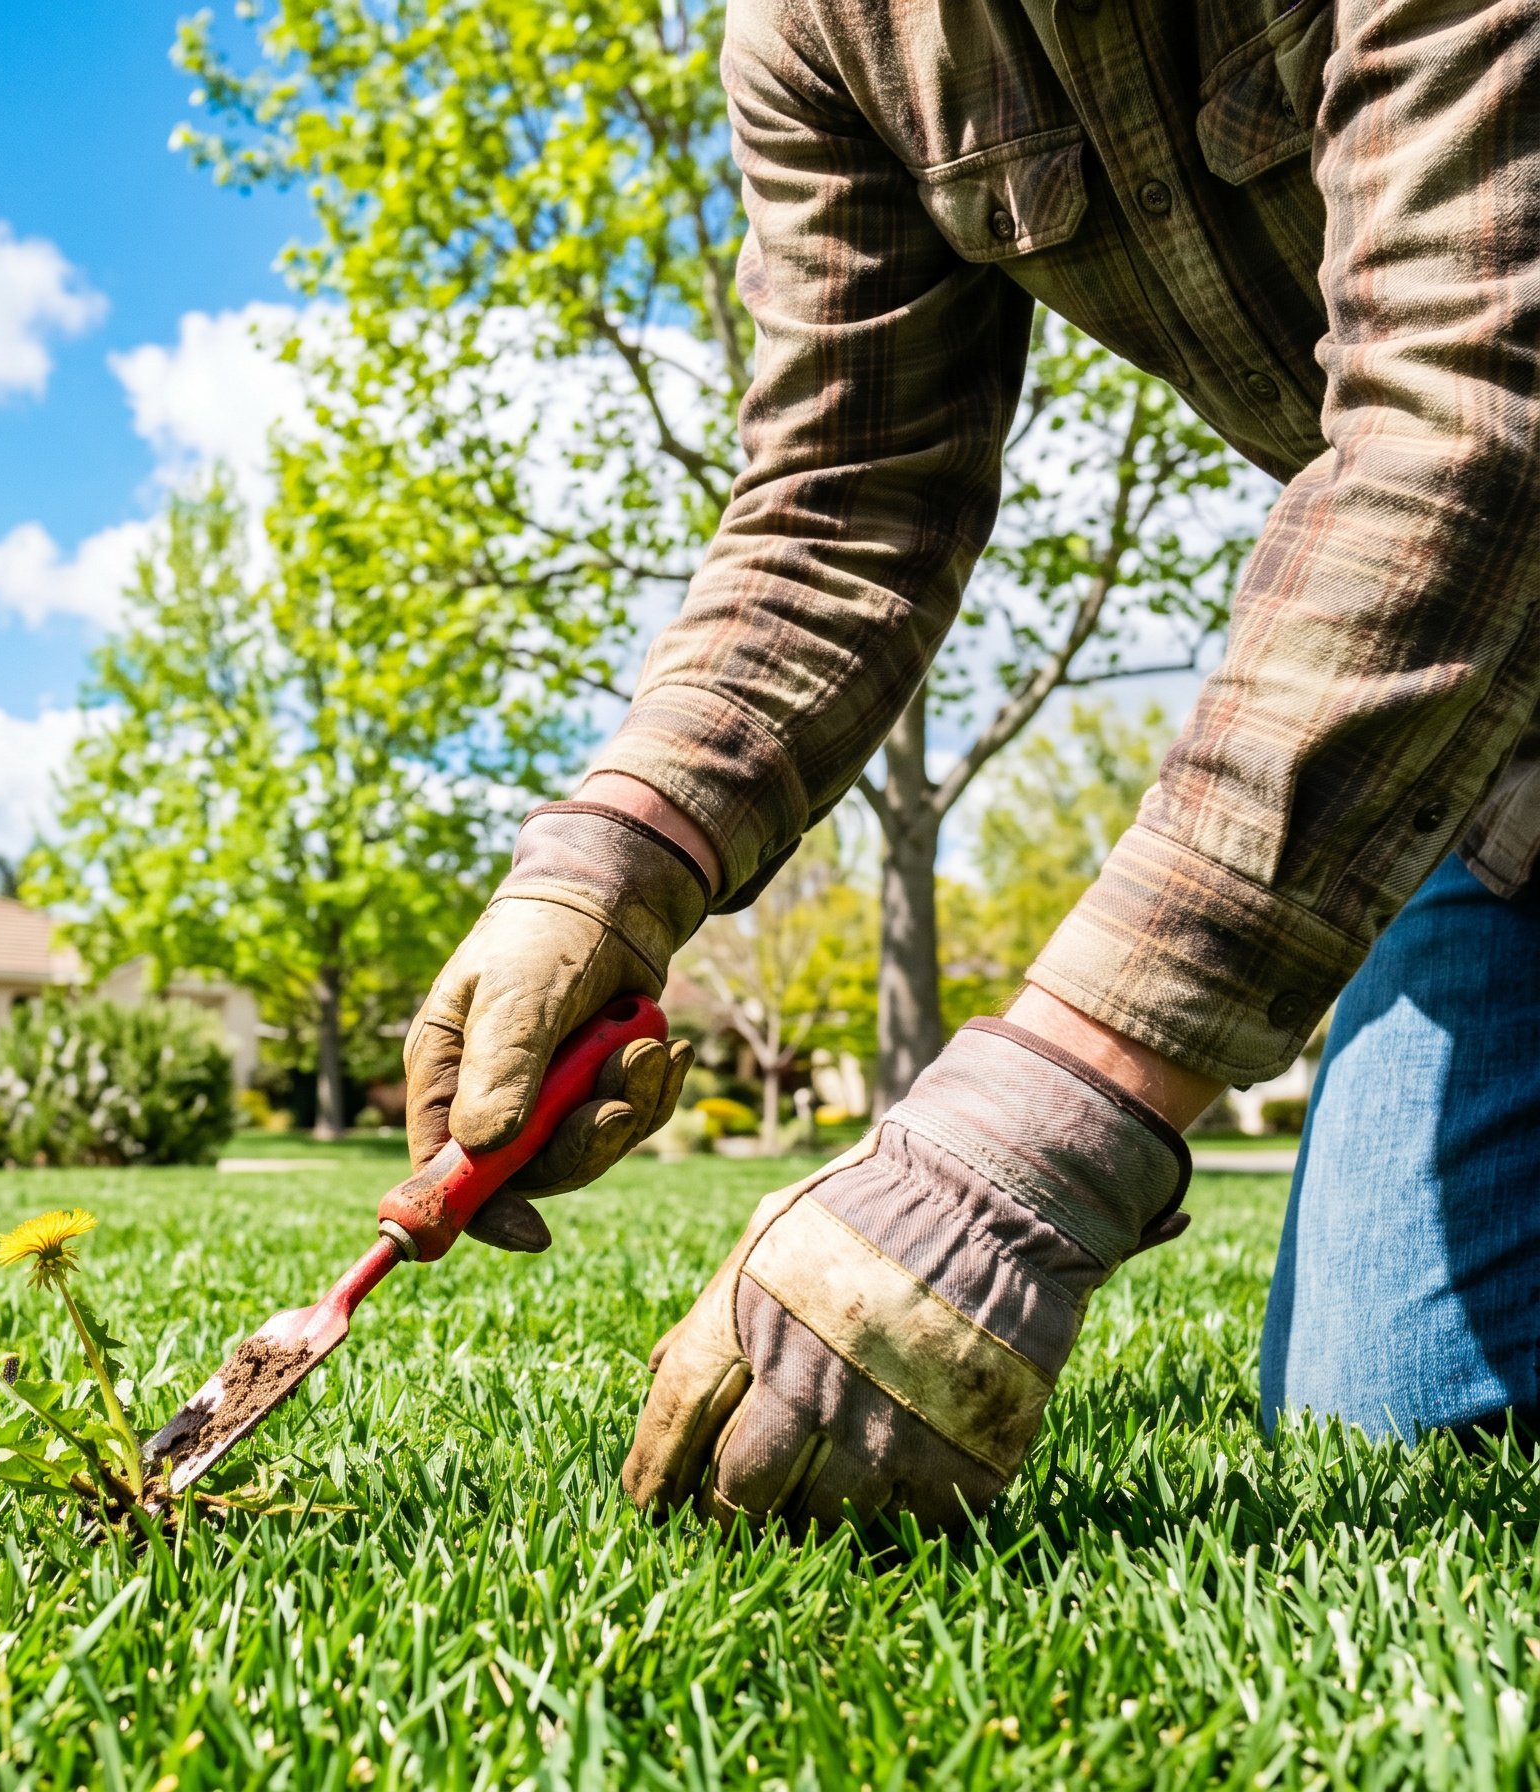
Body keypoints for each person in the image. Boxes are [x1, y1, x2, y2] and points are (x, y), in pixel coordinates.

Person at [404, 0, 1540, 1531]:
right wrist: (608, 864)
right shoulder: (819, 38)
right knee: (1403, 1423)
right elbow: (843, 499)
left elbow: (1479, 421)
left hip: (1487, 600)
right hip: (1500, 773)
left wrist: (1029, 1142)